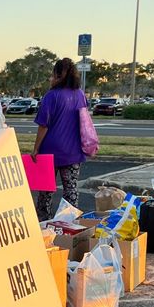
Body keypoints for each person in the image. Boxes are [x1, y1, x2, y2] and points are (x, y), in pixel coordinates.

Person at [31, 58, 88, 219]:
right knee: (71, 189)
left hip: (50, 150)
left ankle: (44, 220)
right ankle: (70, 221)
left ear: (57, 75)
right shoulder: (79, 95)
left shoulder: (51, 96)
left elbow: (43, 125)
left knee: (46, 190)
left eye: (53, 74)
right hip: (73, 150)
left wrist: (36, 148)